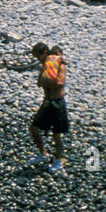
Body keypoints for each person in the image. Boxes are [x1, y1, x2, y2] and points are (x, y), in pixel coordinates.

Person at [29, 43, 68, 172]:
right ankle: (43, 154)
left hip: (58, 102)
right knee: (34, 128)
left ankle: (58, 160)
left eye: (39, 56)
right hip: (47, 101)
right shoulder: (43, 66)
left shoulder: (61, 66)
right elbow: (39, 83)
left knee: (56, 133)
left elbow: (60, 83)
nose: (38, 59)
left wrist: (47, 81)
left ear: (45, 52)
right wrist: (47, 81)